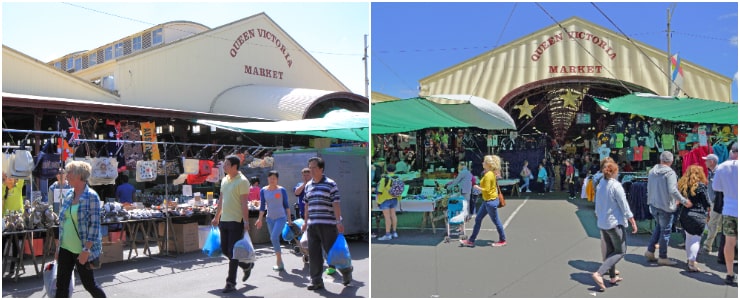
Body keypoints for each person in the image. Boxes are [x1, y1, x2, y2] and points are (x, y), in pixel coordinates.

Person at [55, 160, 106, 297]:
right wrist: (58, 247)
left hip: (81, 249)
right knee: (61, 286)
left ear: (79, 175)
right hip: (65, 248)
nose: (67, 175)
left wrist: (86, 250)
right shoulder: (69, 194)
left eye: (69, 172)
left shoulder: (92, 196)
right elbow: (64, 222)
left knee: (89, 285)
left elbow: (94, 227)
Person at [300, 157, 352, 290]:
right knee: (314, 254)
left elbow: (336, 203)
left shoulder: (330, 183)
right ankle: (316, 280)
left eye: (314, 167)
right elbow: (307, 205)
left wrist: (338, 221)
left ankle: (346, 271)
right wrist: (305, 223)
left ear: (321, 169)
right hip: (312, 225)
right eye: (309, 167)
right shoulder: (308, 185)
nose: (311, 170)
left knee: (333, 253)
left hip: (328, 224)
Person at [592, 161, 637, 292]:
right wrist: (632, 220)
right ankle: (599, 273)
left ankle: (612, 277)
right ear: (615, 172)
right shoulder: (616, 186)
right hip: (614, 223)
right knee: (620, 251)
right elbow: (624, 205)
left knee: (611, 250)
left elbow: (597, 204)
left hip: (603, 222)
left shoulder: (600, 184)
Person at [212, 155, 254, 293]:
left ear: (235, 166)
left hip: (236, 221)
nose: (224, 167)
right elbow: (221, 200)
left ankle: (230, 282)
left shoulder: (242, 181)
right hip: (224, 220)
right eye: (224, 164)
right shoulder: (224, 180)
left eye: (227, 164)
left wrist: (246, 221)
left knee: (233, 252)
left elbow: (244, 203)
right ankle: (246, 265)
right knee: (225, 250)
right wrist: (216, 217)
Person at [644, 151, 692, 266]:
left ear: (661, 160)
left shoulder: (652, 171)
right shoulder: (670, 173)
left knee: (659, 227)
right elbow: (673, 190)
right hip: (665, 206)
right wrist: (684, 201)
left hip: (654, 204)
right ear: (671, 161)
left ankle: (650, 250)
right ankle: (662, 256)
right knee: (665, 232)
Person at [460, 155, 507, 247]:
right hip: (488, 201)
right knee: (478, 219)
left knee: (496, 221)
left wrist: (476, 187)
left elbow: (487, 189)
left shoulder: (489, 175)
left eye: (484, 162)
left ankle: (502, 240)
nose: (482, 163)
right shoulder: (490, 173)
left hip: (490, 201)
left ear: (488, 164)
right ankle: (471, 240)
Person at [255, 170, 293, 271]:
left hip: (281, 217)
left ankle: (279, 261)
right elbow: (262, 206)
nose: (272, 180)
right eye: (270, 178)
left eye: (274, 178)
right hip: (269, 218)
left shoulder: (282, 190)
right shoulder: (263, 190)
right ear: (268, 179)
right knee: (274, 239)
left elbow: (286, 206)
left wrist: (289, 219)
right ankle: (279, 262)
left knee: (273, 237)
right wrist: (259, 219)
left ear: (277, 179)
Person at [677, 165, 711, 272]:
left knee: (688, 238)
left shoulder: (683, 185)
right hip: (698, 215)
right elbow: (707, 202)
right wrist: (709, 213)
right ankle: (692, 262)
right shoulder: (701, 186)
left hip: (685, 214)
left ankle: (689, 259)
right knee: (696, 240)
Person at [712, 142, 738, 285]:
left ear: (731, 152)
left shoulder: (721, 167)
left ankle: (730, 273)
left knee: (729, 242)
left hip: (729, 209)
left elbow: (716, 187)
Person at [2, 173, 25, 276]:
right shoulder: (3, 188)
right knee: (2, 242)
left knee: (16, 244)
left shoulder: (18, 187)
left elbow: (21, 175)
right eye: (8, 178)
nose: (10, 179)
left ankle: (12, 267)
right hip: (6, 221)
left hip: (17, 221)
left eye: (12, 177)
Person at [377, 164, 401, 240]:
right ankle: (394, 232)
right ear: (395, 170)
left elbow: (379, 191)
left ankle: (388, 234)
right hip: (395, 198)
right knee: (393, 215)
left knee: (387, 217)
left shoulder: (384, 179)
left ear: (387, 170)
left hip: (385, 199)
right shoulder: (398, 178)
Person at [703, 154, 721, 253]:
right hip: (714, 201)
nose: (705, 162)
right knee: (714, 223)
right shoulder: (711, 172)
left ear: (712, 162)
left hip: (718, 202)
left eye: (707, 160)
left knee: (712, 223)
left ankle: (707, 246)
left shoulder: (718, 172)